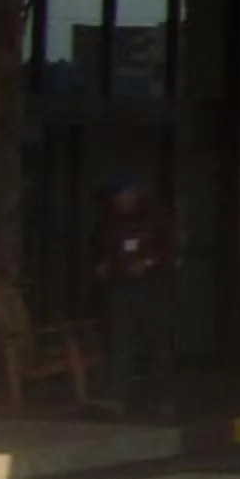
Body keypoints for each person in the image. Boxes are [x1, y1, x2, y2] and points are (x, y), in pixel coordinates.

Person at [94, 179, 176, 419]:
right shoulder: (110, 223)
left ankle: (164, 400)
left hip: (152, 289)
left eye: (126, 196)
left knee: (157, 344)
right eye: (117, 198)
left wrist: (148, 263)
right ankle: (115, 400)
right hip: (120, 288)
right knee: (119, 343)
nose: (122, 202)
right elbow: (106, 247)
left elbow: (171, 250)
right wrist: (105, 264)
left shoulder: (156, 220)